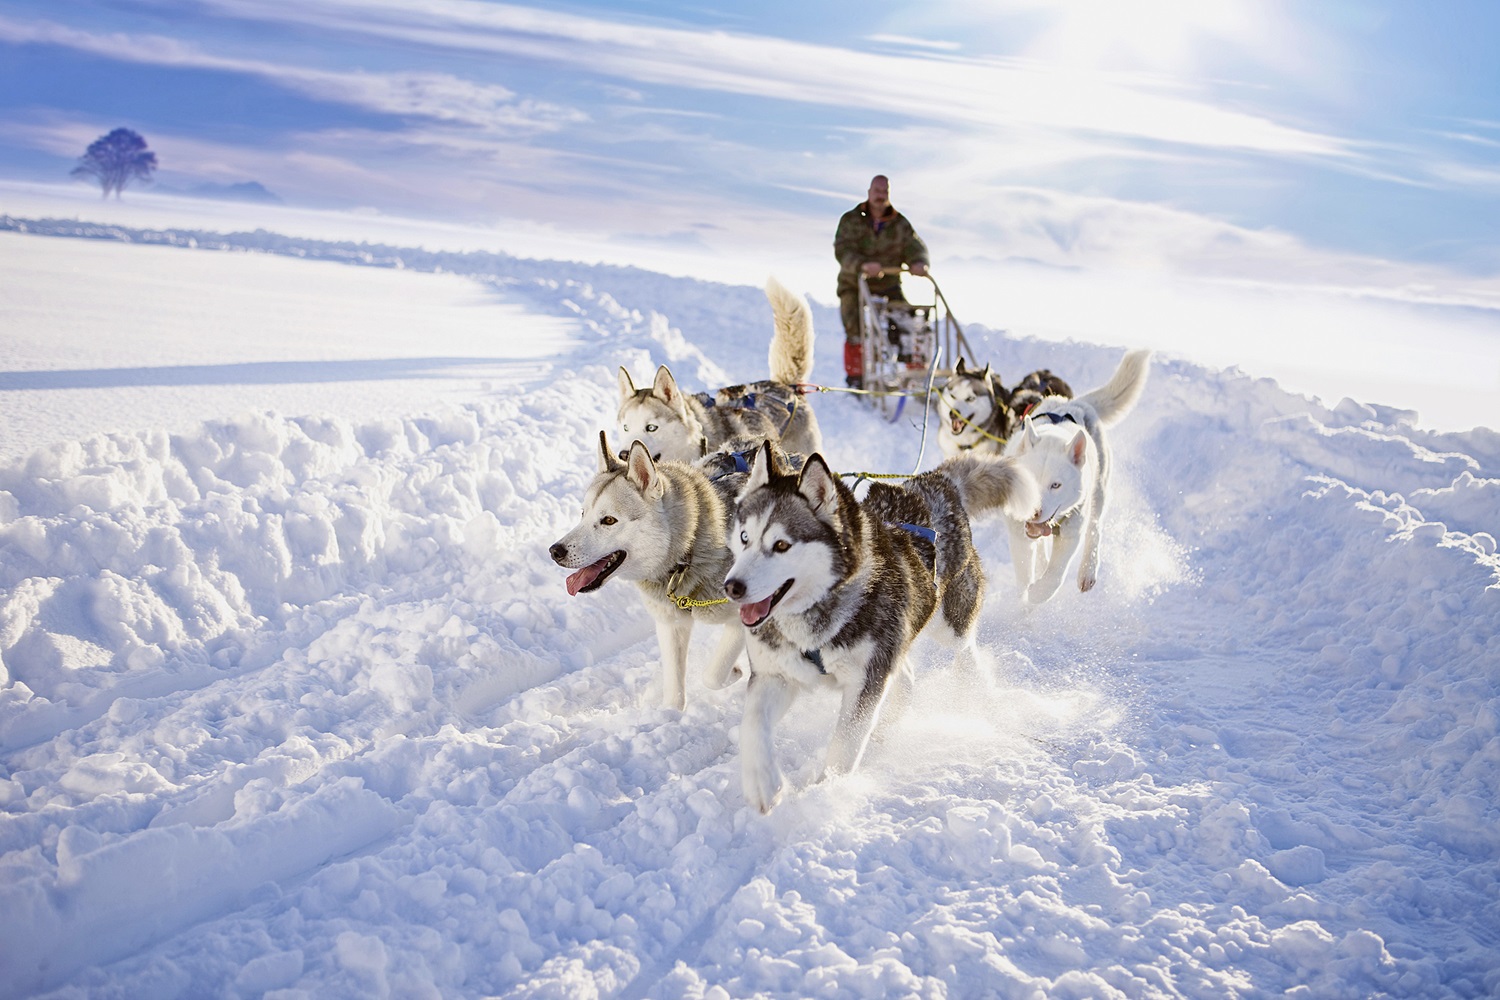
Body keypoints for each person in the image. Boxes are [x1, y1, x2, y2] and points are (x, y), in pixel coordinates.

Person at [833, 174, 930, 389]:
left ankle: (915, 370)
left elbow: (915, 246)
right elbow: (842, 250)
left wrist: (919, 262)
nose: (880, 196)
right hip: (855, 283)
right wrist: (863, 265)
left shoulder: (899, 223)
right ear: (869, 192)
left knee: (907, 318)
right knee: (853, 323)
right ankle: (856, 376)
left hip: (888, 283)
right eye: (877, 191)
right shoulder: (851, 220)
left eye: (884, 192)